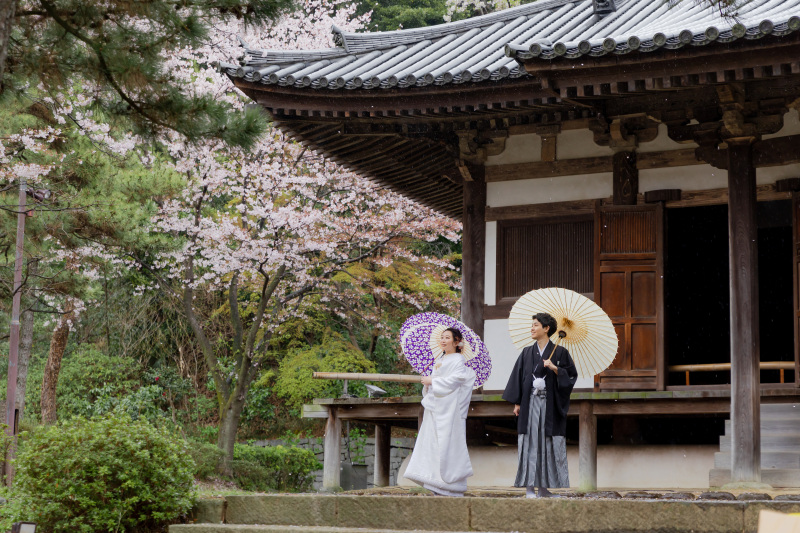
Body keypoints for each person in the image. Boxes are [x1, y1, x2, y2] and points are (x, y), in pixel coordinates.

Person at [502, 312, 578, 498]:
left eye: (536, 325)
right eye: (532, 325)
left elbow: (571, 376)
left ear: (546, 328)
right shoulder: (527, 352)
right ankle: (529, 488)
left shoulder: (560, 352)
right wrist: (518, 402)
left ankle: (544, 488)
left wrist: (555, 368)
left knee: (546, 444)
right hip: (530, 405)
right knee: (530, 444)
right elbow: (519, 378)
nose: (532, 328)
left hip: (549, 405)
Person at [403, 327, 476, 496]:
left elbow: (456, 380)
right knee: (431, 443)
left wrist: (433, 380)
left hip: (448, 410)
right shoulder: (441, 358)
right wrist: (428, 384)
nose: (443, 340)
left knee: (446, 443)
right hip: (435, 407)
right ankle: (433, 481)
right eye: (442, 337)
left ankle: (449, 485)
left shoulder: (458, 360)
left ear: (456, 342)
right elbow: (438, 382)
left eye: (447, 337)